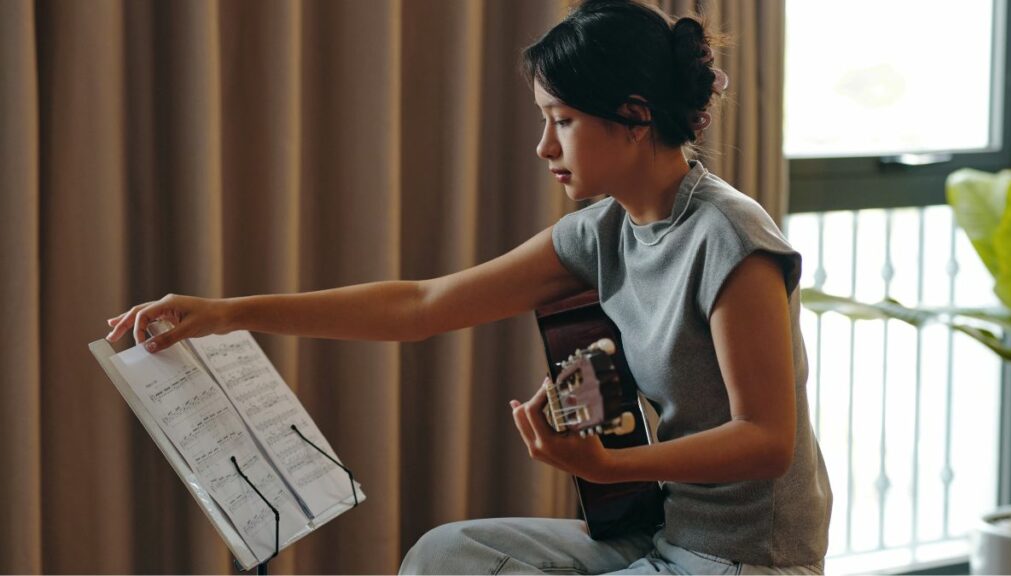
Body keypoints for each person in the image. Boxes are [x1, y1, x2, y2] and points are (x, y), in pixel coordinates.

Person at [106, 0, 832, 573]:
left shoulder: (729, 238)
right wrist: (228, 314)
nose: (544, 147)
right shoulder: (603, 231)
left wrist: (607, 465)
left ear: (635, 117)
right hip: (661, 535)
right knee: (444, 559)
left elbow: (765, 441)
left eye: (563, 121)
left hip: (747, 560)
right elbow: (421, 305)